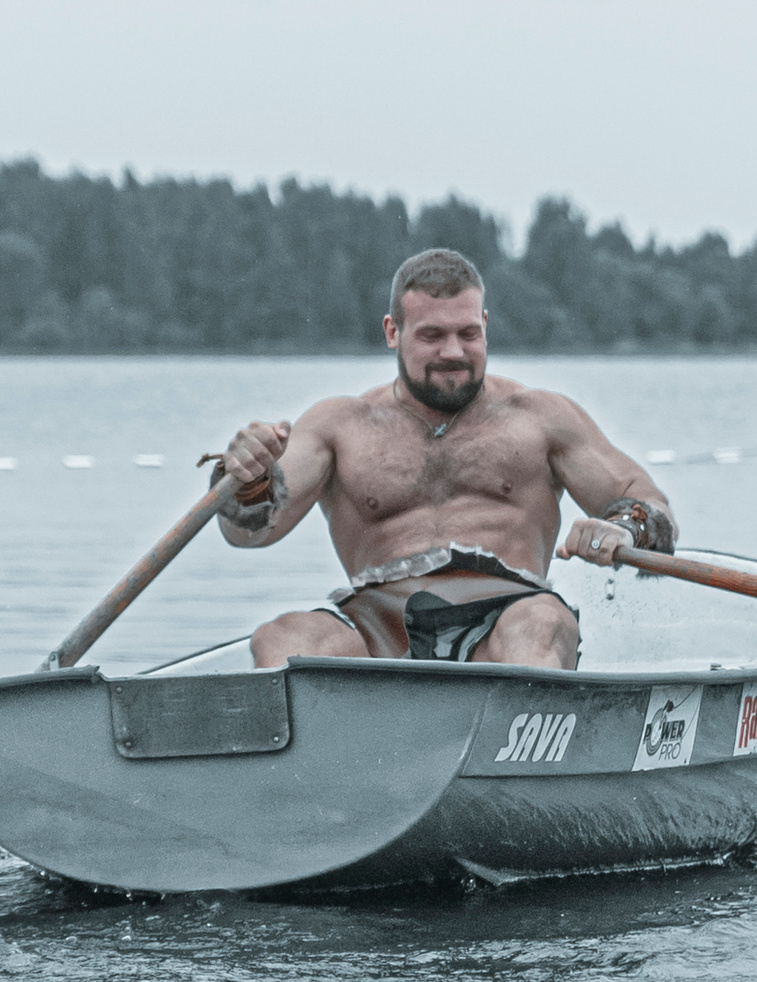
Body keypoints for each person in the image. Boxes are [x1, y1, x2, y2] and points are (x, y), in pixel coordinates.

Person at [208, 248, 676, 668]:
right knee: (281, 638)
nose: (453, 352)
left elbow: (648, 503)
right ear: (393, 332)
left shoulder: (541, 417)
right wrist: (247, 479)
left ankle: (519, 756)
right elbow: (248, 532)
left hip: (507, 620)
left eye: (468, 333)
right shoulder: (340, 425)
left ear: (486, 327)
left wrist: (625, 525)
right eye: (432, 335)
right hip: (378, 630)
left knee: (541, 623)